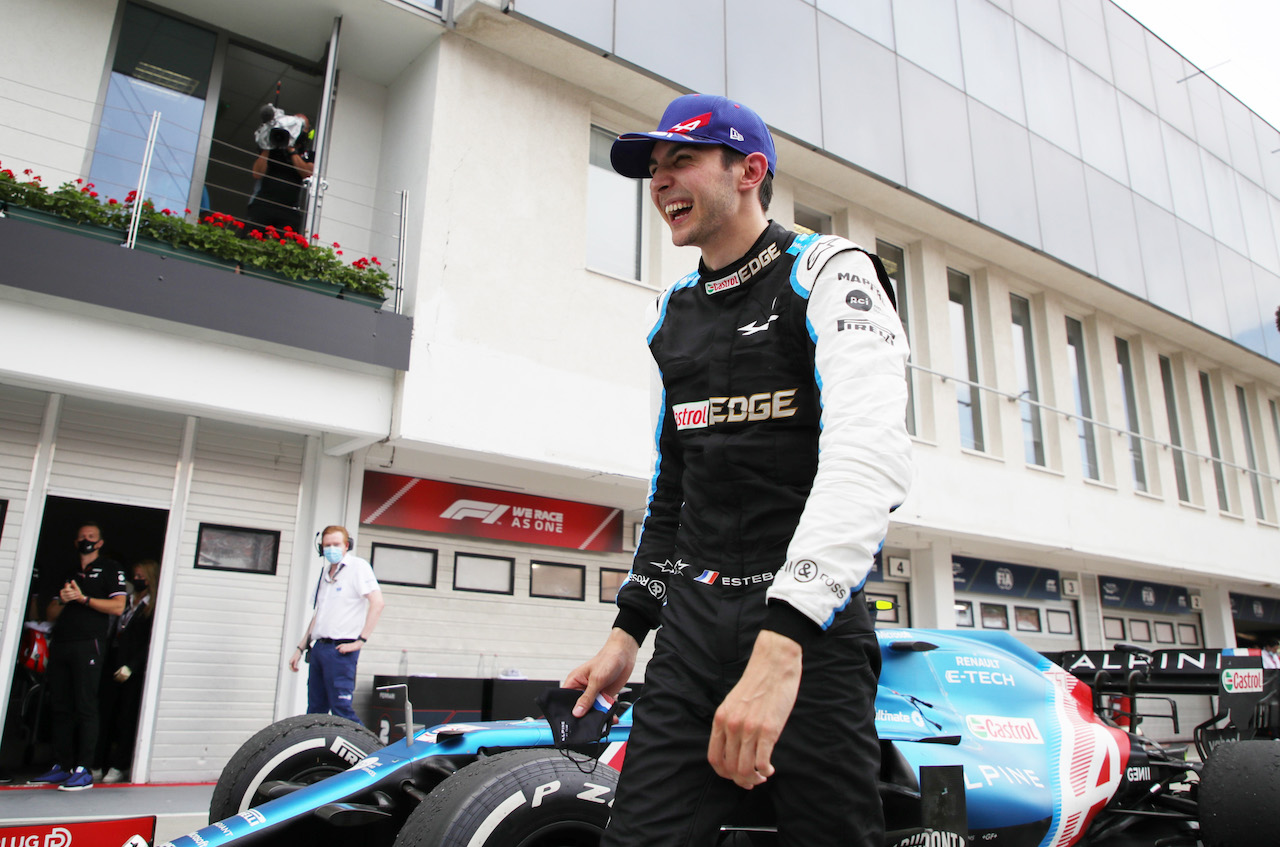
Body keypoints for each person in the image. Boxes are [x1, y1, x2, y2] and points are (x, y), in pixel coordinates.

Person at [563, 94, 912, 847]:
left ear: (750, 170)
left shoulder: (830, 273)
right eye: (653, 170)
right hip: (691, 627)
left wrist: (782, 643)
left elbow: (867, 460)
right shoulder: (675, 311)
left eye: (680, 160)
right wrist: (629, 629)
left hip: (808, 629)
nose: (659, 181)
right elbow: (676, 487)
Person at [29, 522, 127, 791]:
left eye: (91, 537)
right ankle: (62, 765)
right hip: (62, 642)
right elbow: (50, 614)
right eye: (82, 537)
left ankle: (84, 769)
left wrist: (83, 599)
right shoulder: (69, 572)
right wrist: (63, 599)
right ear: (75, 542)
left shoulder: (110, 568)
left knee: (86, 704)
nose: (86, 540)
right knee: (60, 705)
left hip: (90, 644)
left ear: (100, 542)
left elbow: (119, 606)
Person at [289, 526, 384, 723]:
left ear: (346, 545)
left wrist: (360, 641)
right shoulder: (325, 573)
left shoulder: (358, 567)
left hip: (341, 650)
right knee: (315, 710)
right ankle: (316, 752)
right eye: (327, 545)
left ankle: (364, 751)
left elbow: (378, 602)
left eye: (336, 544)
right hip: (319, 648)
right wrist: (300, 648)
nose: (331, 548)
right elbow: (318, 615)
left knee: (341, 709)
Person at [94, 559, 158, 784]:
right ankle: (96, 763)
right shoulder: (128, 601)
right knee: (105, 714)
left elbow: (149, 642)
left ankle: (120, 764)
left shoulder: (153, 606)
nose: (138, 579)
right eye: (135, 575)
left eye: (142, 576)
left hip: (133, 670)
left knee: (127, 717)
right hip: (113, 662)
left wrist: (132, 665)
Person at [245, 112, 314, 234]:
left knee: (286, 247)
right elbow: (257, 173)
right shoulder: (274, 147)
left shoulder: (307, 154)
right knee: (250, 239)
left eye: (302, 127)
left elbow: (307, 173)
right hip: (263, 204)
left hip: (289, 210)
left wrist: (291, 148)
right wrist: (267, 145)